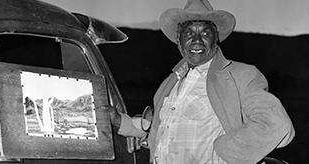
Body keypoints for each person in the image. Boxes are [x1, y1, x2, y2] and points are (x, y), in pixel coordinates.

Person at [109, 0, 295, 163]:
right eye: (189, 33)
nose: (196, 40)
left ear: (216, 40)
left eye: (205, 34)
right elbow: (159, 127)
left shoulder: (239, 75)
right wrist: (119, 121)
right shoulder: (171, 83)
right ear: (179, 40)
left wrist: (225, 152)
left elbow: (276, 125)